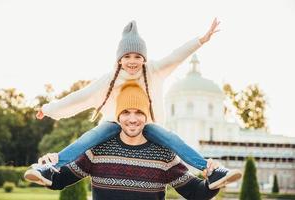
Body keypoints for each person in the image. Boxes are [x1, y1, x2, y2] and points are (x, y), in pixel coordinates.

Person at [24, 18, 241, 189]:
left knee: (172, 139)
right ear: (119, 59)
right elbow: (81, 96)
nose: (132, 62)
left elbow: (175, 56)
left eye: (137, 56)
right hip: (114, 122)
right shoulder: (109, 78)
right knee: (88, 138)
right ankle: (51, 167)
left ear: (144, 59)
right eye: (127, 56)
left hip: (146, 122)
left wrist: (201, 40)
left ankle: (210, 170)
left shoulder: (153, 71)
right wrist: (49, 108)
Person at [33, 82, 222, 200]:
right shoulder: (98, 150)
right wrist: (48, 165)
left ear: (147, 116)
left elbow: (196, 193)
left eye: (139, 112)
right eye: (126, 112)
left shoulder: (163, 155)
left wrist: (214, 180)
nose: (132, 119)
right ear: (117, 116)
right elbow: (59, 180)